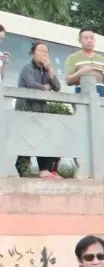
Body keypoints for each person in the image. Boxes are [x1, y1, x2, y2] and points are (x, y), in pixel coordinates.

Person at [16, 41, 62, 179]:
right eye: (40, 51)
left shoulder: (45, 70)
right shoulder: (27, 67)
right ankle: (20, 170)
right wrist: (44, 87)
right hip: (26, 109)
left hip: (41, 110)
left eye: (46, 52)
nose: (44, 55)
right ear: (32, 54)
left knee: (46, 137)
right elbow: (30, 83)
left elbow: (57, 87)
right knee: (24, 141)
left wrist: (51, 70)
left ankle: (46, 170)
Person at [63, 28, 104, 93]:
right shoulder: (73, 58)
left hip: (101, 92)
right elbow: (68, 81)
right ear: (80, 40)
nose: (89, 41)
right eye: (86, 38)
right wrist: (80, 72)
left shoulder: (101, 59)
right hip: (82, 92)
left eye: (92, 38)